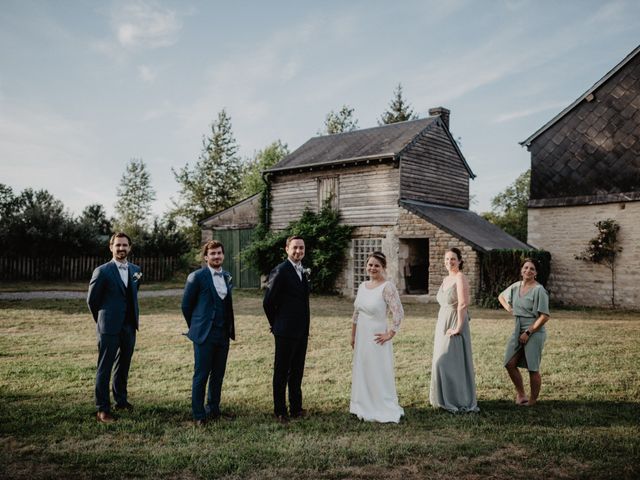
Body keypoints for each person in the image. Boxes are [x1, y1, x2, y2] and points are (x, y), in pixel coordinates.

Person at [87, 232, 142, 423]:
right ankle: (102, 409)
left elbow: (132, 295)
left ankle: (121, 400)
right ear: (111, 247)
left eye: (125, 245)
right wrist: (102, 322)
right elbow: (92, 300)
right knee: (105, 367)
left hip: (129, 326)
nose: (121, 248)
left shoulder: (136, 270)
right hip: (108, 327)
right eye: (117, 245)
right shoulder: (102, 271)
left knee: (123, 365)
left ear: (130, 248)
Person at [181, 240, 236, 426]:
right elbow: (186, 306)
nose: (216, 256)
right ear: (206, 257)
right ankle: (198, 415)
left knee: (218, 374)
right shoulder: (196, 277)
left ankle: (213, 409)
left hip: (223, 333)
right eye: (212, 254)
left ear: (223, 255)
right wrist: (197, 326)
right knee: (201, 374)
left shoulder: (227, 276)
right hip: (204, 334)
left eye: (219, 253)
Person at [350, 251, 404, 423]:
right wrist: (353, 335)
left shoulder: (387, 287)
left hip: (377, 336)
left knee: (377, 370)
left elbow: (398, 312)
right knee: (363, 368)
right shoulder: (362, 286)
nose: (372, 268)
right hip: (361, 336)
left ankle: (380, 405)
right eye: (370, 265)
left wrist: (390, 333)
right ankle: (361, 404)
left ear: (383, 268)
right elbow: (356, 313)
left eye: (376, 265)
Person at [263, 235, 310, 424]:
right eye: (295, 248)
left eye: (301, 248)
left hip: (302, 330)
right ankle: (280, 410)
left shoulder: (302, 271)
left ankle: (296, 407)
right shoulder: (280, 271)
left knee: (297, 370)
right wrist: (276, 324)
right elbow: (268, 302)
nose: (298, 251)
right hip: (284, 330)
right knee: (282, 371)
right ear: (287, 249)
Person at [429, 247, 479, 413]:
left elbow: (463, 303)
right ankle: (442, 398)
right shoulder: (445, 279)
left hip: (455, 322)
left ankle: (459, 398)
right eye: (446, 259)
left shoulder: (460, 277)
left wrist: (458, 327)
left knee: (448, 362)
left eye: (452, 259)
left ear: (459, 261)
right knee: (441, 361)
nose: (449, 262)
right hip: (442, 322)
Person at [498, 257, 550, 407]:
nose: (528, 271)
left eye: (532, 269)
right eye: (526, 268)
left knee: (533, 368)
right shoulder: (515, 287)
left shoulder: (539, 290)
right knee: (509, 363)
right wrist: (510, 309)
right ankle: (521, 394)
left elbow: (544, 316)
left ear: (536, 273)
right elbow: (501, 296)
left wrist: (528, 332)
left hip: (534, 330)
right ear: (521, 270)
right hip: (517, 328)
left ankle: (532, 401)